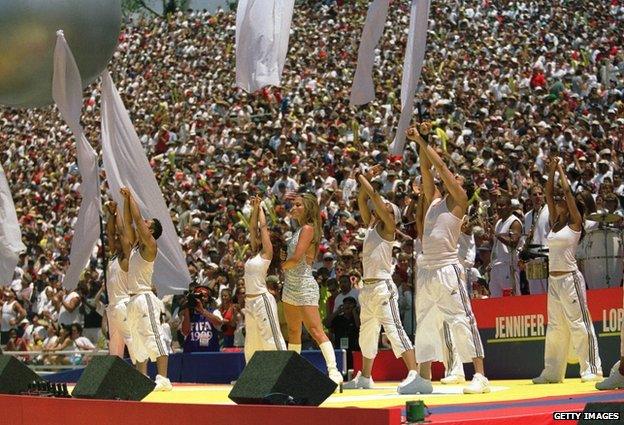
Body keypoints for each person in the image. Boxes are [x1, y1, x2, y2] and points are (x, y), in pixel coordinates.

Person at [407, 123, 489, 394]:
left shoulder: (460, 200)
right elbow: (427, 170)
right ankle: (424, 377)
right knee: (427, 322)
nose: (453, 180)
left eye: (458, 179)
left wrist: (423, 140)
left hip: (448, 267)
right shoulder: (432, 199)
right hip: (427, 269)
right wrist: (420, 143)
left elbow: (441, 169)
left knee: (462, 319)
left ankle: (479, 375)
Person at [343, 164, 432, 394]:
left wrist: (362, 177)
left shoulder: (389, 227)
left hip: (383, 286)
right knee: (367, 334)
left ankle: (413, 373)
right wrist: (365, 178)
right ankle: (365, 377)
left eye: (386, 208)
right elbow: (364, 200)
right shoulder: (372, 226)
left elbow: (372, 196)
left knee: (395, 331)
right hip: (368, 287)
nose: (380, 209)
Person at [533, 157, 602, 384]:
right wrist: (551, 170)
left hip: (570, 279)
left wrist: (562, 169)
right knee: (554, 326)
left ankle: (591, 367)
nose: (559, 201)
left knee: (579, 323)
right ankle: (552, 371)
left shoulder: (574, 223)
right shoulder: (555, 221)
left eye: (563, 200)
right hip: (554, 280)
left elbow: (567, 193)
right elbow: (548, 192)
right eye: (558, 201)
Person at [282, 193, 343, 384]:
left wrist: (281, 264)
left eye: (298, 204)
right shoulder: (298, 230)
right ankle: (292, 373)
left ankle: (334, 371)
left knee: (316, 331)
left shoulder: (308, 229)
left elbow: (297, 257)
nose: (293, 207)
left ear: (306, 208)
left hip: (304, 284)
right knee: (293, 332)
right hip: (290, 285)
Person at [121, 187, 172, 391]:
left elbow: (137, 218)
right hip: (132, 299)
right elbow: (127, 224)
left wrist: (132, 197)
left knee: (155, 337)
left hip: (145, 298)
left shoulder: (150, 245)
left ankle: (163, 378)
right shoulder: (136, 246)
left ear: (150, 231)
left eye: (147, 224)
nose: (144, 224)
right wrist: (126, 201)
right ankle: (142, 378)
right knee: (137, 343)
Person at [243, 196, 286, 363]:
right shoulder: (255, 252)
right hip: (249, 302)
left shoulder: (267, 254)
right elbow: (253, 228)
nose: (260, 237)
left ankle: (283, 371)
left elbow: (262, 227)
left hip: (262, 299)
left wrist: (261, 208)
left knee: (271, 338)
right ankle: (253, 378)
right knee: (251, 343)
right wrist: (254, 208)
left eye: (265, 237)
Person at [104, 201, 132, 358]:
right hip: (113, 306)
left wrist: (117, 213)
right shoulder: (114, 256)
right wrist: (110, 214)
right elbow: (110, 233)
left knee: (133, 344)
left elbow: (121, 232)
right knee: (115, 351)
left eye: (119, 239)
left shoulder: (127, 258)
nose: (115, 240)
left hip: (124, 304)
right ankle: (117, 379)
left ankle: (142, 376)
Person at [490, 194, 523, 297]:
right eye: (498, 205)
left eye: (502, 205)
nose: (499, 208)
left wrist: (496, 235)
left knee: (512, 298)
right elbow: (497, 243)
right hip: (496, 265)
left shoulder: (515, 222)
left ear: (509, 207)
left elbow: (514, 242)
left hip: (508, 265)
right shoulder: (499, 222)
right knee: (495, 298)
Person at [520, 184, 550, 295]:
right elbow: (524, 237)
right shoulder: (527, 216)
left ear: (544, 195)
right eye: (534, 194)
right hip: (532, 261)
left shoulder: (550, 212)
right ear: (530, 197)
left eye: (540, 194)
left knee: (549, 294)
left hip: (546, 259)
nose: (538, 196)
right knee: (535, 294)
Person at [181, 285, 223, 352]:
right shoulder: (189, 313)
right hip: (191, 355)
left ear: (208, 299)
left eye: (204, 296)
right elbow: (185, 332)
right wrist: (187, 309)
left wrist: (202, 311)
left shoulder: (214, 311)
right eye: (199, 296)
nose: (202, 298)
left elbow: (219, 322)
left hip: (210, 355)